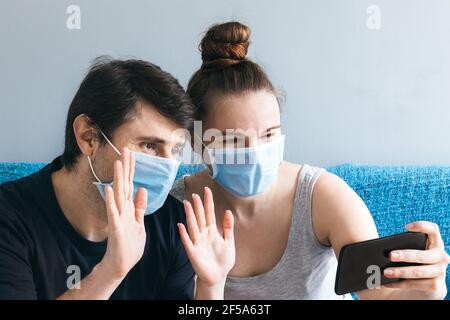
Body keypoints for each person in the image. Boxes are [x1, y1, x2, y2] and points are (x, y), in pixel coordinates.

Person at [173, 22, 450, 300]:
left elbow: (379, 295)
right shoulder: (172, 210)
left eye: (269, 134)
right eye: (233, 140)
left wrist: (425, 291)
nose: (255, 152)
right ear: (197, 142)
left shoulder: (322, 196)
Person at [0, 57, 231, 300]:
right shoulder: (10, 217)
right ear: (88, 137)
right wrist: (110, 271)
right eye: (150, 145)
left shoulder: (174, 225)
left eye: (175, 150)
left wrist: (211, 287)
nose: (167, 165)